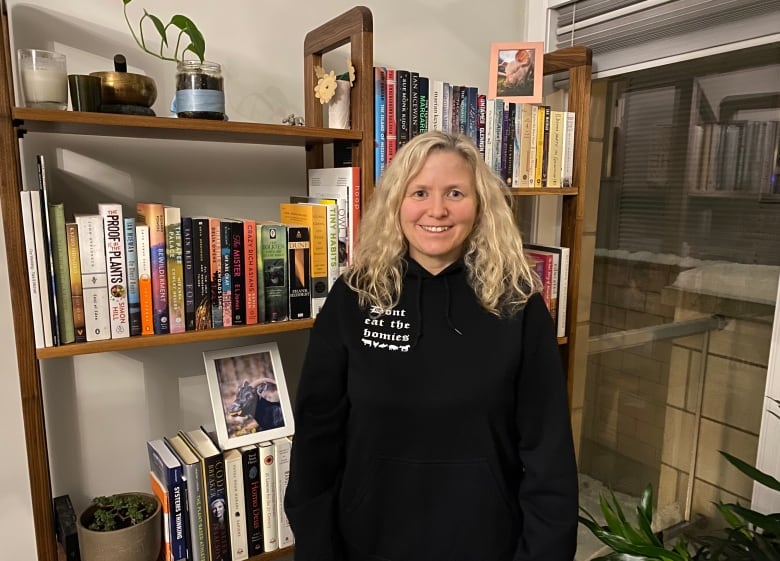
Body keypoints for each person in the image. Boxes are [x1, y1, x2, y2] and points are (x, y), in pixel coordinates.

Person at [284, 131, 578, 561]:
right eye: (419, 192)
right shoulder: (354, 296)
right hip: (365, 544)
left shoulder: (518, 304)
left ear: (479, 205)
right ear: (396, 203)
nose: (437, 210)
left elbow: (549, 455)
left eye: (455, 193)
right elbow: (315, 443)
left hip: (489, 545)